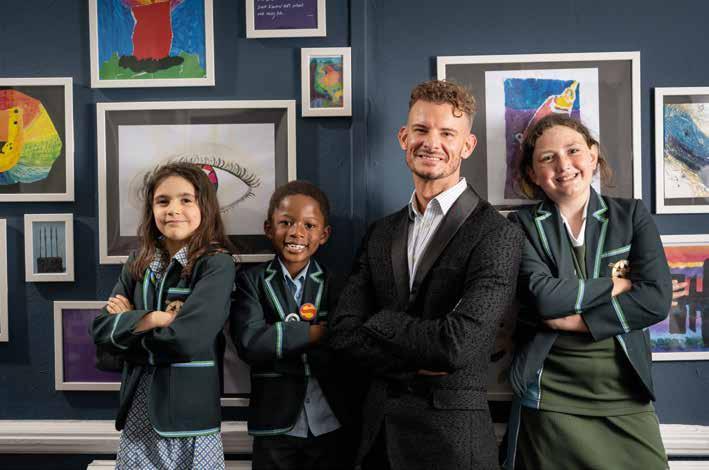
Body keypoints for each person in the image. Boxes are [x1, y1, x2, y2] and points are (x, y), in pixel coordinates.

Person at [328, 79, 525, 470]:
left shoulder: (497, 233)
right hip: (377, 441)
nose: (431, 142)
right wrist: (416, 351)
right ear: (404, 137)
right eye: (421, 129)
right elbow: (342, 333)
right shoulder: (380, 232)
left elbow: (457, 346)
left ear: (467, 145)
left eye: (447, 133)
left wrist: (380, 323)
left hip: (452, 446)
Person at [503, 114, 672, 469]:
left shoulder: (632, 215)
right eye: (547, 158)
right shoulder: (519, 226)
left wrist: (577, 322)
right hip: (549, 399)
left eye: (573, 150)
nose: (563, 164)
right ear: (533, 174)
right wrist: (616, 285)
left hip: (625, 394)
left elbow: (656, 300)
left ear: (593, 156)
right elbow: (545, 298)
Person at [91, 162, 236, 470]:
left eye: (186, 200)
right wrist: (155, 318)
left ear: (205, 207)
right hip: (137, 413)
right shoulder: (137, 261)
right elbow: (101, 331)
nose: (173, 210)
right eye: (163, 201)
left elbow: (187, 341)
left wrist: (130, 327)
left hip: (191, 417)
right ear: (151, 208)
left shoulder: (216, 264)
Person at [231, 180, 353, 470]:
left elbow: (346, 342)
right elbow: (250, 342)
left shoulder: (337, 283)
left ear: (324, 234)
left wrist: (279, 341)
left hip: (330, 421)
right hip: (273, 422)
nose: (297, 232)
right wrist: (315, 332)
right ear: (268, 228)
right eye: (286, 222)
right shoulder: (251, 281)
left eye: (309, 226)